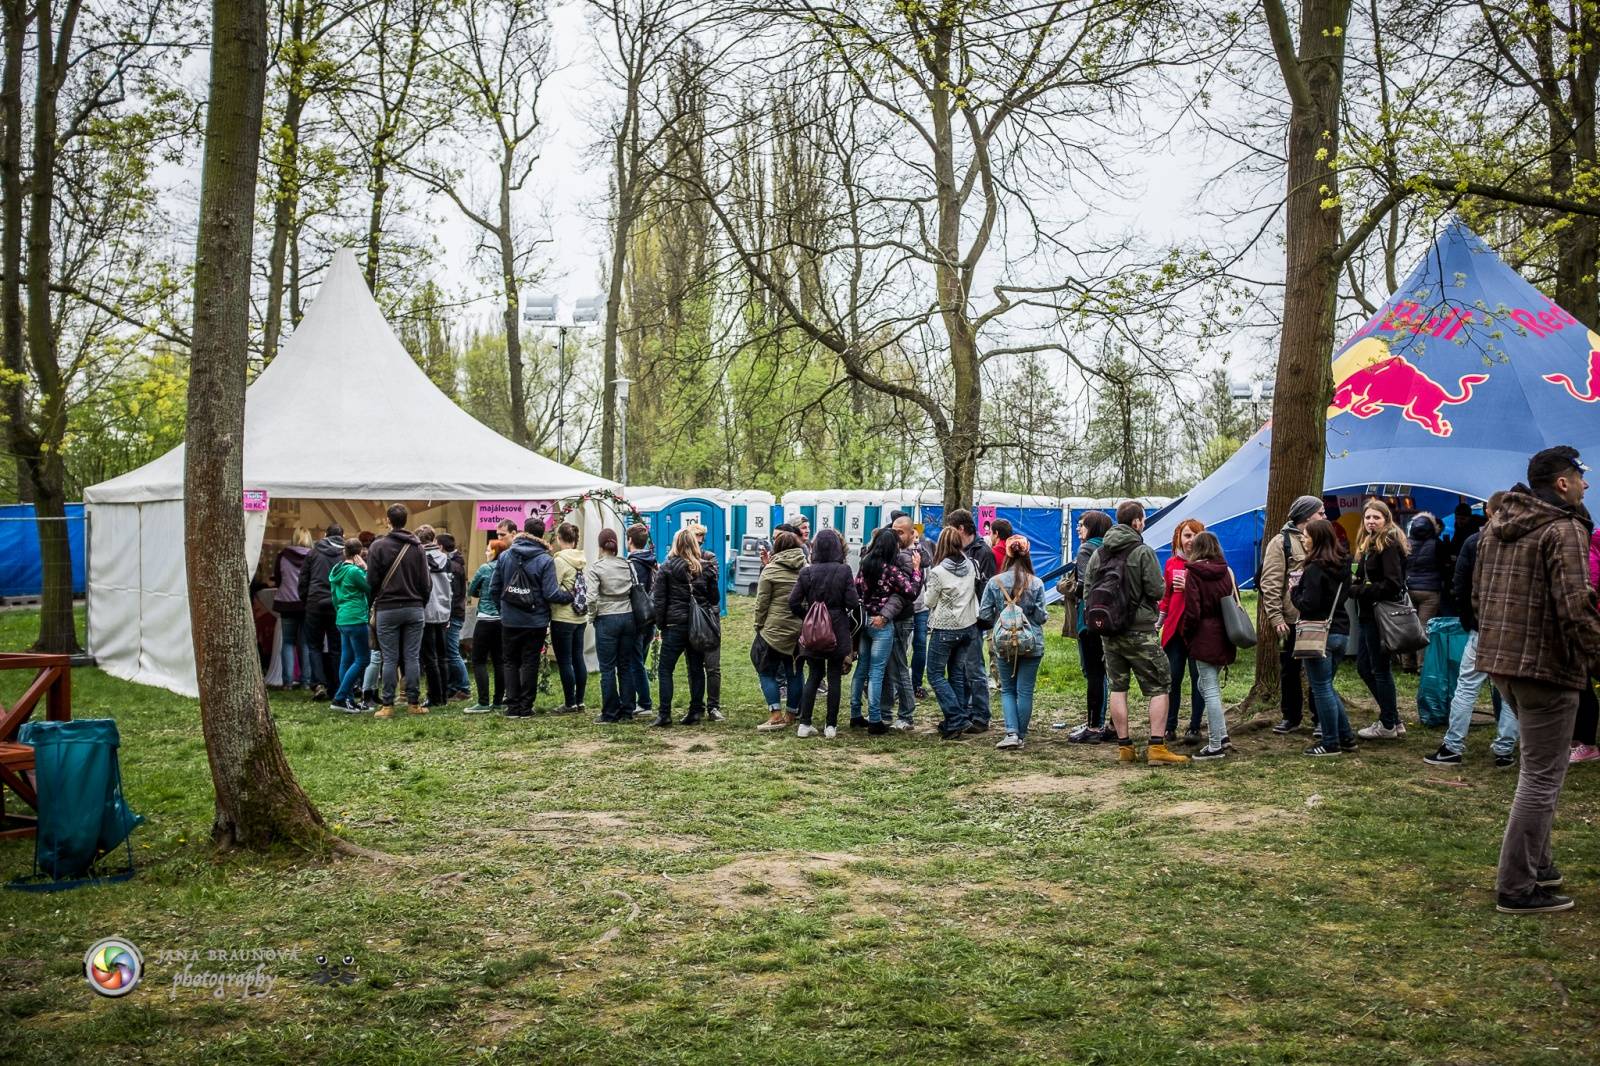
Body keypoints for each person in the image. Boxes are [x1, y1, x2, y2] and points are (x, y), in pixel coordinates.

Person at [1475, 445, 1600, 914]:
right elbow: (1576, 606)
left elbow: (1476, 593)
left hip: (1503, 663)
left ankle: (1539, 864)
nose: (1587, 485)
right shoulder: (1562, 529)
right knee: (1542, 777)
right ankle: (1517, 887)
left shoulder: (1495, 526)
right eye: (1581, 478)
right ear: (1563, 483)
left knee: (1537, 771)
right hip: (1547, 667)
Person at [1084, 500, 1190, 765]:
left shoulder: (1099, 554)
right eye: (1142, 519)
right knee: (1160, 685)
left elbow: (1088, 592)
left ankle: (1125, 748)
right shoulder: (1142, 551)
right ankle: (1156, 747)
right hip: (1140, 630)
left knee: (1118, 687)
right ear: (1137, 522)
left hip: (1109, 632)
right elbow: (1156, 591)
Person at [1427, 493, 1519, 766]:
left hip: (1483, 626)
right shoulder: (1525, 541)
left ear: (1489, 512)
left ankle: (1453, 745)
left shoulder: (1476, 541)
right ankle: (1504, 749)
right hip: (1512, 626)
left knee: (1467, 686)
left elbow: (1461, 583)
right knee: (1509, 690)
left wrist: (1469, 617)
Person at [491, 515, 572, 718]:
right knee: (530, 661)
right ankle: (526, 707)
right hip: (535, 620)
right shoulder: (545, 559)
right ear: (542, 535)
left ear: (523, 532)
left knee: (510, 661)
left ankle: (512, 707)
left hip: (510, 619)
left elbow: (494, 588)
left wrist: (503, 610)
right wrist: (570, 595)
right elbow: (551, 593)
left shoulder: (505, 556)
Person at [1258, 495, 1327, 735]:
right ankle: (1291, 716)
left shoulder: (1321, 539)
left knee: (1318, 669)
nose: (1324, 517)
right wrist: (1276, 618)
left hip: (1318, 617)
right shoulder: (1281, 543)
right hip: (1291, 619)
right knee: (1289, 669)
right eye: (1321, 513)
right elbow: (1270, 582)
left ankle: (1321, 718)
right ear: (1307, 516)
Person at [1293, 519, 1358, 757]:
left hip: (1319, 633)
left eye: (1306, 535)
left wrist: (1294, 592)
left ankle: (1331, 742)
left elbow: (1308, 605)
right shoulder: (1342, 565)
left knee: (1321, 688)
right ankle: (1346, 736)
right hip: (1341, 630)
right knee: (1327, 686)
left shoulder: (1314, 569)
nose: (1303, 538)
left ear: (1317, 539)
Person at [787, 528, 859, 737]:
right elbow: (853, 602)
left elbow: (792, 601)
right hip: (837, 630)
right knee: (834, 676)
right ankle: (831, 726)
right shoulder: (844, 570)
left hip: (812, 632)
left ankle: (805, 723)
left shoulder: (806, 572)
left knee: (814, 675)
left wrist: (809, 616)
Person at [979, 535, 1047, 750]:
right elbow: (1041, 617)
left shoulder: (994, 582)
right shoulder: (1036, 583)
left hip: (1003, 642)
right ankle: (1022, 735)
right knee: (1025, 691)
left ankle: (1011, 733)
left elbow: (984, 613)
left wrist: (1001, 617)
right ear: (1027, 555)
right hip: (1031, 641)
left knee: (1008, 690)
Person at [854, 527, 922, 734]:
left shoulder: (864, 564)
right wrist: (917, 570)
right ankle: (875, 719)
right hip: (882, 624)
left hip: (865, 621)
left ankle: (855, 712)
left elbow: (857, 588)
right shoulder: (890, 570)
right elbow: (910, 591)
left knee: (861, 670)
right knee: (877, 671)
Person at [1177, 531, 1238, 760]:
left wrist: (1186, 633)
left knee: (1209, 690)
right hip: (1225, 634)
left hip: (1203, 634)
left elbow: (1193, 611)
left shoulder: (1193, 574)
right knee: (1206, 687)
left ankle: (1215, 745)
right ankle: (1221, 735)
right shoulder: (1227, 571)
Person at [1352, 499, 1410, 740]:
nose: (1371, 521)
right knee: (1365, 667)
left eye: (1376, 517)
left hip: (1380, 615)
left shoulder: (1388, 543)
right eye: (1367, 517)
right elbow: (1363, 576)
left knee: (1379, 669)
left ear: (1386, 519)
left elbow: (1392, 584)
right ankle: (1393, 718)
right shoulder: (1370, 543)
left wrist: (1361, 591)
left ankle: (1388, 723)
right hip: (1368, 615)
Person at [366, 505, 430, 717]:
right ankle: (413, 703)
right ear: (406, 519)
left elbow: (372, 580)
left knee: (389, 658)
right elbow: (425, 582)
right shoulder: (417, 547)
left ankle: (388, 705)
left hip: (388, 608)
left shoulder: (378, 546)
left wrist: (372, 602)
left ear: (388, 521)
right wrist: (421, 602)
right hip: (414, 607)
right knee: (412, 657)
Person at [653, 528, 719, 726]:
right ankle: (695, 710)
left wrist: (660, 624)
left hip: (674, 624)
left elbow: (659, 601)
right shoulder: (706, 568)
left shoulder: (666, 567)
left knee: (665, 669)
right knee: (696, 668)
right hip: (697, 626)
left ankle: (664, 713)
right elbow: (714, 598)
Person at [924, 527, 980, 739]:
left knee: (935, 675)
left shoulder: (938, 572)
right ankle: (956, 719)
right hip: (967, 626)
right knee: (956, 674)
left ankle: (956, 718)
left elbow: (929, 601)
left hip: (945, 628)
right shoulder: (971, 565)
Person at [944, 509, 997, 731]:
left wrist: (982, 616)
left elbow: (985, 588)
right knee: (959, 669)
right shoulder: (958, 551)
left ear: (961, 529)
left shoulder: (982, 553)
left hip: (973, 618)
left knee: (974, 668)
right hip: (956, 617)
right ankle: (962, 711)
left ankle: (981, 715)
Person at [1067, 511, 1114, 744]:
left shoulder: (1087, 550)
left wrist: (1069, 587)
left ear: (1093, 527)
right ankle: (1110, 723)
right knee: (1111, 673)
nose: (1078, 529)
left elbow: (1086, 584)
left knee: (1094, 672)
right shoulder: (1113, 548)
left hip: (1090, 617)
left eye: (1082, 525)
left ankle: (1094, 726)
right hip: (1113, 616)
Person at [1156, 518, 1205, 742]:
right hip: (1174, 630)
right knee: (1172, 678)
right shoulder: (1171, 564)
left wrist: (1191, 585)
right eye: (1187, 535)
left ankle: (1195, 726)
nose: (1191, 540)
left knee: (1199, 679)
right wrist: (1159, 620)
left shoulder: (1208, 564)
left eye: (1195, 535)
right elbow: (1166, 596)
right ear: (1178, 538)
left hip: (1199, 631)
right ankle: (1170, 724)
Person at [753, 530, 807, 731]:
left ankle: (775, 714)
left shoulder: (770, 570)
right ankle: (791, 714)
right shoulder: (807, 569)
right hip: (799, 630)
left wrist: (758, 625)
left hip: (773, 631)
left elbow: (762, 603)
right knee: (795, 673)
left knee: (766, 671)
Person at [588, 528, 639, 724]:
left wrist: (592, 617)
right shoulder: (627, 564)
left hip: (607, 617)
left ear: (600, 546)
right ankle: (627, 709)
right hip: (628, 616)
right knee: (625, 666)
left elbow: (591, 598)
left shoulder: (596, 568)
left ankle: (609, 712)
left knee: (607, 668)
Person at [890, 513, 934, 722]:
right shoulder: (891, 550)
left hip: (920, 606)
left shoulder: (920, 546)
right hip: (902, 610)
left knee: (920, 645)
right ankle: (901, 691)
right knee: (901, 651)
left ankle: (915, 684)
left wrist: (917, 542)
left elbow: (927, 560)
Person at [300, 523, 345, 702]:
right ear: (343, 536)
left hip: (315, 603)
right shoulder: (344, 554)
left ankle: (319, 684)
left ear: (326, 535)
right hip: (336, 604)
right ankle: (336, 684)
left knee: (314, 646)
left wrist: (306, 599)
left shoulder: (313, 553)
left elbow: (303, 579)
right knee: (336, 646)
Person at [549, 522, 590, 714]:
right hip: (580, 617)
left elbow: (553, 588)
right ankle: (580, 700)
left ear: (559, 539)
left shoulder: (559, 560)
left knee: (564, 660)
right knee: (578, 658)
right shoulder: (581, 558)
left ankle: (569, 702)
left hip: (563, 616)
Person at [465, 538, 507, 713]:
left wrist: (481, 593)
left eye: (488, 550)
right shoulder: (507, 568)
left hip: (485, 618)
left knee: (479, 660)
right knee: (499, 661)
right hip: (502, 619)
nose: (486, 552)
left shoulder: (484, 569)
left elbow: (471, 590)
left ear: (495, 552)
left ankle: (483, 702)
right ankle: (498, 700)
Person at [688, 523, 725, 721]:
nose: (699, 544)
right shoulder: (682, 561)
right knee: (694, 665)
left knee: (712, 665)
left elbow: (712, 590)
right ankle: (696, 706)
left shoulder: (710, 558)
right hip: (693, 615)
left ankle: (713, 706)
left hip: (710, 615)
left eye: (701, 540)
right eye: (696, 539)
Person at [327, 539, 371, 712]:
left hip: (342, 617)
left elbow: (334, 595)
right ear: (358, 554)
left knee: (346, 660)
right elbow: (370, 587)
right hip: (356, 617)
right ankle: (340, 697)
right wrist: (365, 569)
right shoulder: (354, 571)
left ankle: (348, 700)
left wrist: (340, 610)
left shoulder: (336, 570)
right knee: (363, 659)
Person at [271, 528, 314, 690]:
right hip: (307, 604)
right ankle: (306, 681)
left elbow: (278, 579)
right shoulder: (313, 556)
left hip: (286, 603)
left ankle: (287, 682)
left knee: (288, 642)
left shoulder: (282, 556)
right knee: (305, 643)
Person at [1402, 512, 1445, 672]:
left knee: (1408, 625)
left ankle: (1407, 662)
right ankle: (1422, 665)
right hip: (1430, 591)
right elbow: (1443, 566)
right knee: (1424, 626)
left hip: (1409, 588)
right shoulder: (1437, 544)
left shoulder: (1405, 544)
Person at [1573, 527, 1600, 763]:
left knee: (1582, 684)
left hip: (1591, 626)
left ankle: (1587, 743)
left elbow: (1586, 590)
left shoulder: (1591, 546)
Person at [419, 525, 453, 709]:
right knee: (443, 656)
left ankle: (434, 696)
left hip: (426, 611)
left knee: (429, 657)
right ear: (433, 539)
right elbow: (450, 588)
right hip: (443, 611)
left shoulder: (419, 559)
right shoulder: (446, 559)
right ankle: (444, 695)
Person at [626, 524, 658, 717]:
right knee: (640, 658)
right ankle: (640, 700)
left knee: (635, 661)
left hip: (637, 616)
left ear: (630, 540)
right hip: (651, 615)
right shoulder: (652, 561)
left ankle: (644, 702)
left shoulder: (632, 563)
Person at [438, 532, 471, 701]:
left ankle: (464, 688)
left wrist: (447, 615)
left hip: (453, 614)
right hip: (455, 612)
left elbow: (454, 594)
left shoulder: (452, 566)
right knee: (450, 651)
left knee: (452, 652)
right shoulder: (457, 563)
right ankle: (453, 687)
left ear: (441, 547)